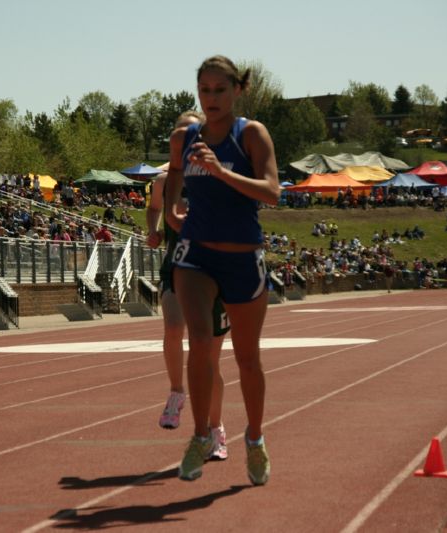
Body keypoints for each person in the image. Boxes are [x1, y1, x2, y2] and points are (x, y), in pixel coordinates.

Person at [165, 55, 280, 484]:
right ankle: (200, 435)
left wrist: (218, 171)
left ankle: (255, 439)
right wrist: (173, 205)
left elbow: (272, 192)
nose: (211, 98)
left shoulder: (250, 134)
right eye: (204, 90)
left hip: (242, 256)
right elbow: (175, 171)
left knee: (247, 359)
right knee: (199, 341)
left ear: (237, 91)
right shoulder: (186, 137)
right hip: (196, 253)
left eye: (219, 89)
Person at [146, 111, 229, 461]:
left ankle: (216, 429)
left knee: (210, 360)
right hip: (177, 264)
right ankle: (177, 392)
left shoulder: (218, 174)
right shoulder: (164, 180)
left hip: (214, 270)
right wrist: (153, 229)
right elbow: (153, 209)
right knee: (173, 325)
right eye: (179, 132)